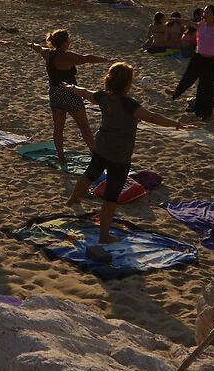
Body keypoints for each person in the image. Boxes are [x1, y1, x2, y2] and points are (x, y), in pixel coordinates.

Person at [64, 60, 195, 243]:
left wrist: (71, 87)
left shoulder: (102, 97)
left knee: (89, 175)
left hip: (102, 148)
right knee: (110, 198)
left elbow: (85, 92)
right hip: (119, 156)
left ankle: (73, 199)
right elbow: (151, 117)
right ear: (127, 84)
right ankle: (104, 236)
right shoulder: (129, 104)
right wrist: (177, 124)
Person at [41, 30, 101, 161]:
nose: (69, 42)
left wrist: (31, 45)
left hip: (54, 93)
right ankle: (97, 158)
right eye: (68, 40)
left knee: (58, 128)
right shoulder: (66, 56)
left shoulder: (48, 53)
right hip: (70, 92)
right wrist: (106, 60)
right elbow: (85, 59)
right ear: (64, 43)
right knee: (84, 127)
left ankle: (61, 157)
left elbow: (39, 49)